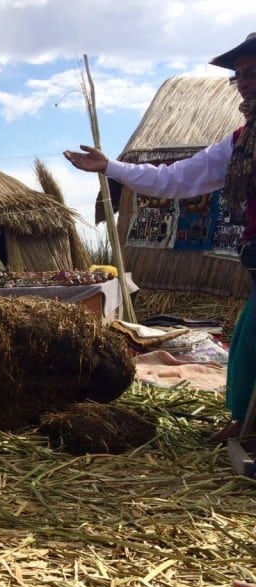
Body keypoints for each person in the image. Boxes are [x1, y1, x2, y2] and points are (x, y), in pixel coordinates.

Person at [64, 32, 256, 443]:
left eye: (253, 72)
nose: (245, 81)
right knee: (244, 345)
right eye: (239, 74)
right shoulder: (240, 144)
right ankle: (246, 423)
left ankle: (247, 426)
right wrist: (110, 166)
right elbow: (175, 178)